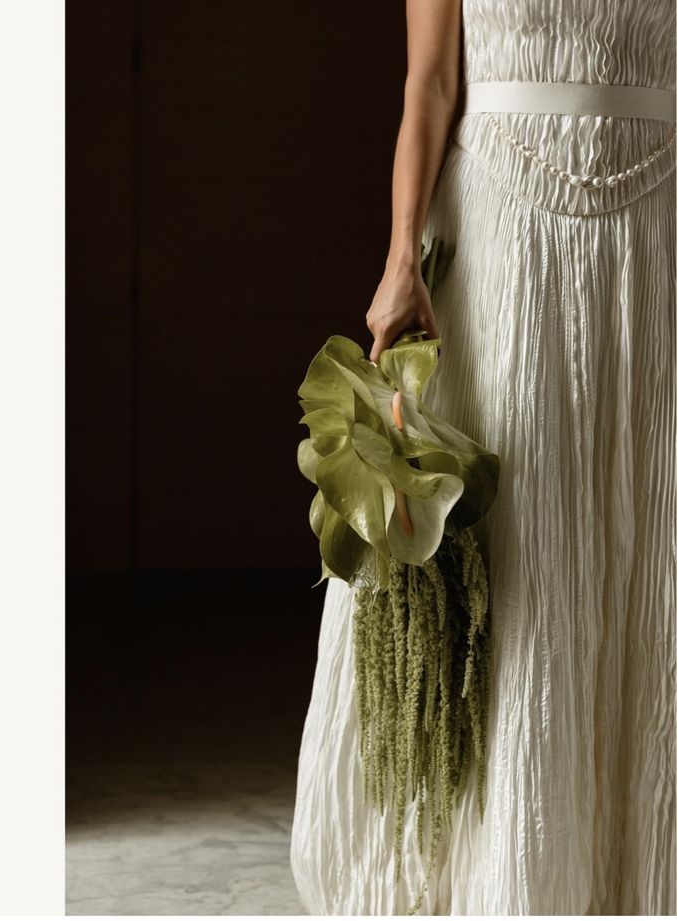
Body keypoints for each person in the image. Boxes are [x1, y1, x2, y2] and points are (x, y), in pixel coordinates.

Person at [289, 0, 676, 914]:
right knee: (529, 551)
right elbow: (428, 81)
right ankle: (515, 869)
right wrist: (399, 257)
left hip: (656, 233)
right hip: (508, 231)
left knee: (652, 543)